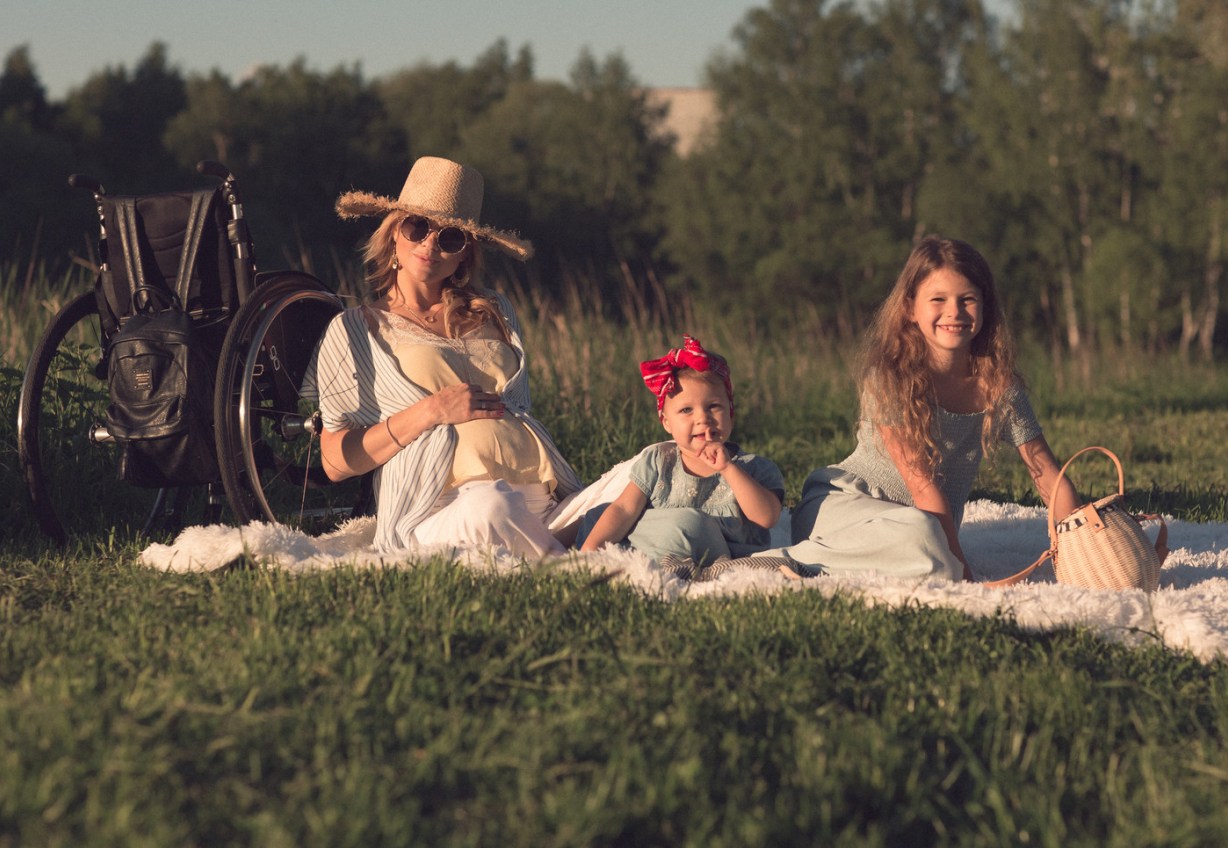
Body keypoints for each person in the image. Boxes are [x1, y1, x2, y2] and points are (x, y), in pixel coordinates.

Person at [754, 236, 1079, 581]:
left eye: (967, 299)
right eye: (938, 299)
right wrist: (963, 572)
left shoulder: (1001, 386)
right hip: (844, 508)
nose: (954, 312)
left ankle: (898, 559)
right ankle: (779, 560)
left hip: (921, 526)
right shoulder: (889, 379)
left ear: (985, 306)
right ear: (910, 308)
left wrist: (1082, 537)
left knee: (926, 545)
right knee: (926, 542)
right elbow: (921, 485)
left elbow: (1046, 473)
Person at [310, 156, 582, 555]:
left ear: (463, 254)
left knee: (647, 468)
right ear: (394, 235)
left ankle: (568, 545)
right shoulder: (356, 329)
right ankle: (579, 563)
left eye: (450, 237)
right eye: (417, 227)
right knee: (494, 505)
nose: (430, 244)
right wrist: (432, 410)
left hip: (542, 497)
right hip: (444, 505)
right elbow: (335, 462)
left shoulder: (496, 310)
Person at [574, 335, 788, 575]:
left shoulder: (754, 468)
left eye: (713, 406)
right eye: (686, 410)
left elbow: (767, 518)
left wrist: (729, 469)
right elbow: (625, 509)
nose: (702, 418)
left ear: (731, 413)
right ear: (666, 423)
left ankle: (637, 555)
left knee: (689, 523)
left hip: (718, 553)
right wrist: (590, 551)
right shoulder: (659, 460)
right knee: (600, 516)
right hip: (663, 543)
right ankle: (603, 554)